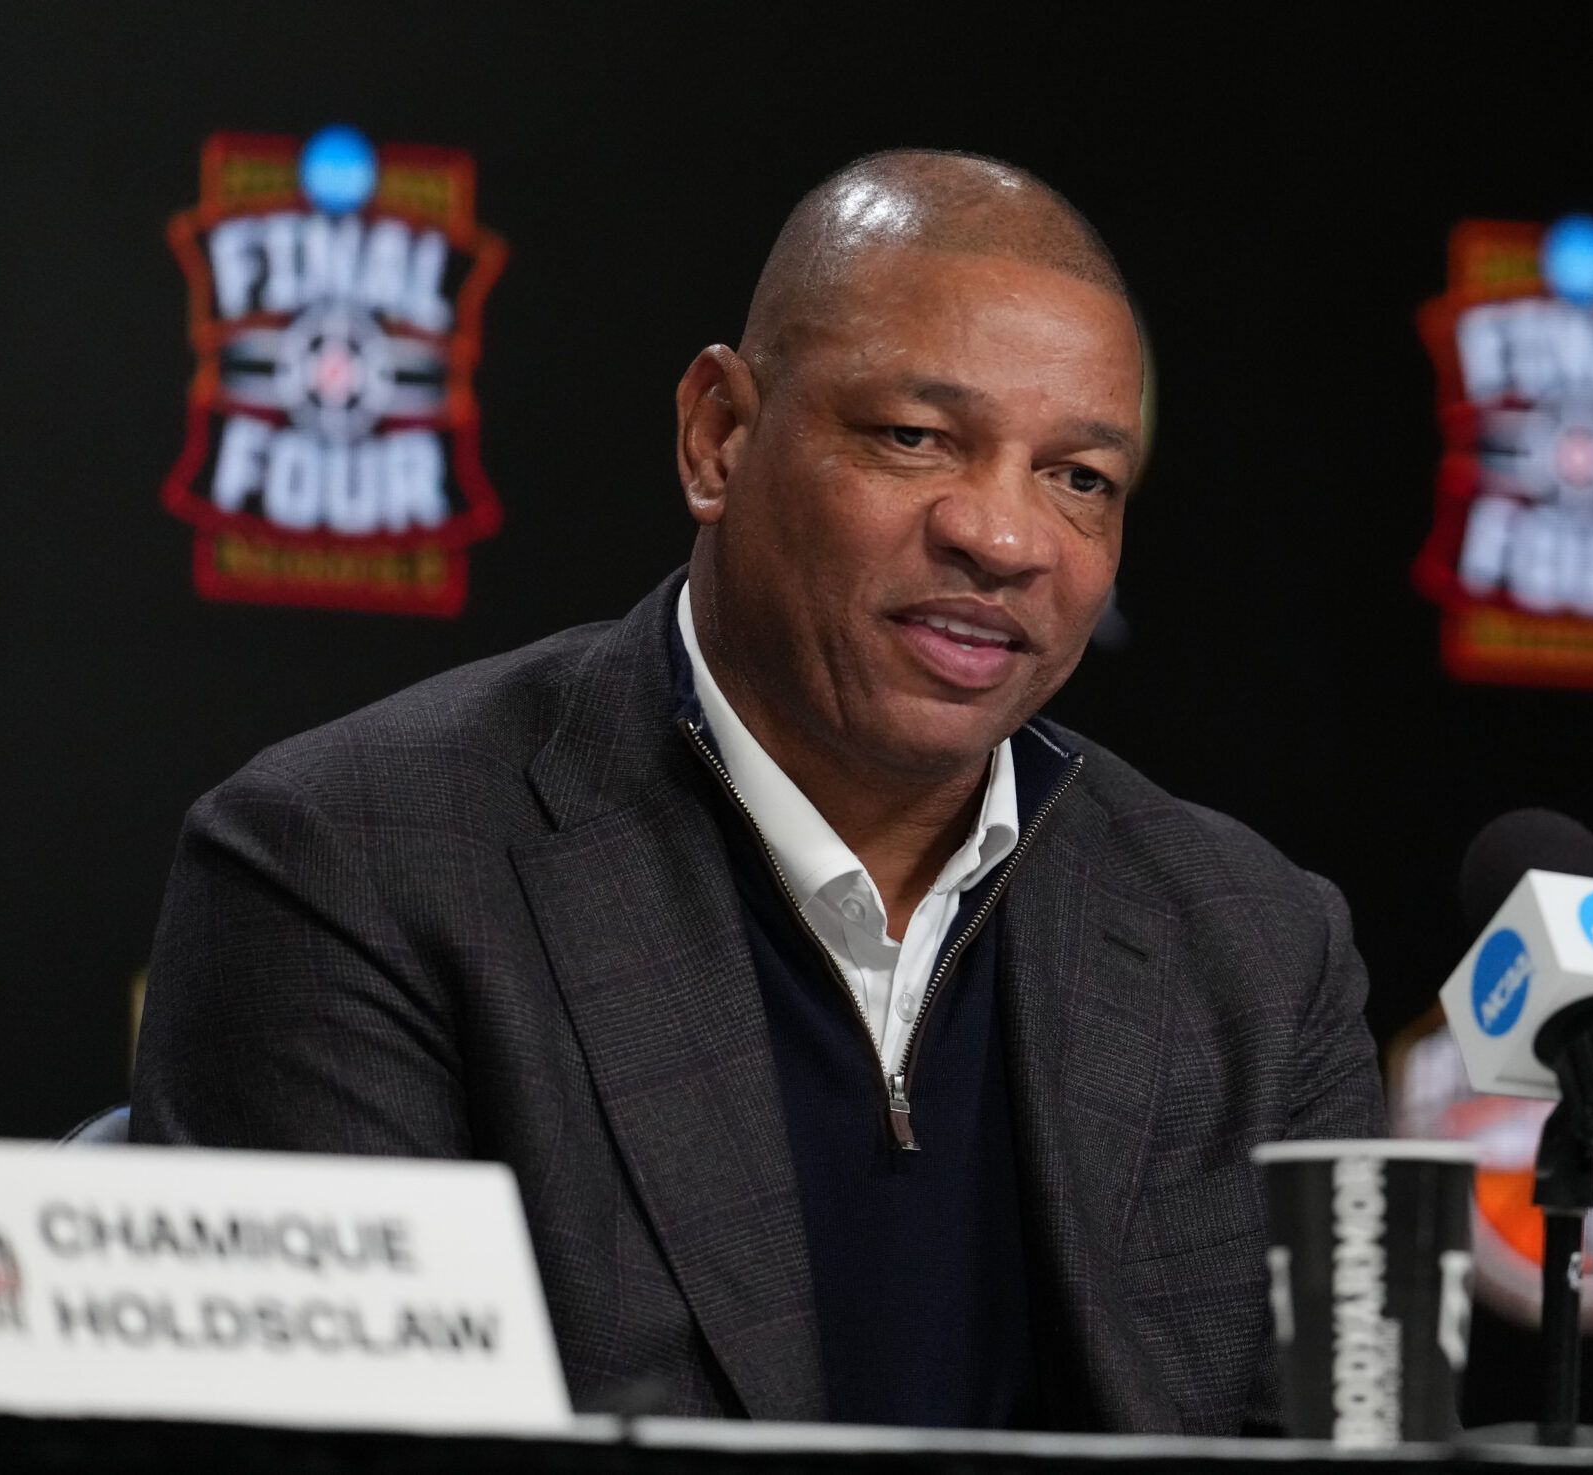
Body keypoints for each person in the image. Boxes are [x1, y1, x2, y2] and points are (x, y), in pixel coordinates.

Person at [132, 149, 1385, 1433]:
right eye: (915, 435)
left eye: (1079, 478)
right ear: (718, 434)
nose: (1005, 538)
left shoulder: (1259, 950)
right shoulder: (352, 867)